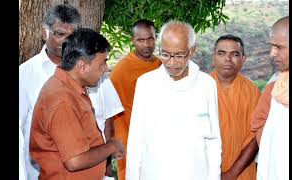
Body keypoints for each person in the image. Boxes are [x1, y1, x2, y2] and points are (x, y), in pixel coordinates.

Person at [19, 4, 123, 180]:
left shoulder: (74, 87)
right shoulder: (62, 98)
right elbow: (74, 161)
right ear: (82, 66)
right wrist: (111, 146)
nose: (106, 70)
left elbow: (104, 123)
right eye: (102, 63)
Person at [125, 20, 222, 180]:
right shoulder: (146, 84)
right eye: (165, 54)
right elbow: (135, 142)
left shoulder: (207, 85)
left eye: (179, 55)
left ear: (192, 51)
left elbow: (213, 141)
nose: (171, 62)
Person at [109, 19, 161, 180]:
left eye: (150, 39)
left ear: (155, 38)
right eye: (141, 40)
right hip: (130, 138)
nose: (146, 45)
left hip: (157, 137)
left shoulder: (161, 64)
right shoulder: (121, 70)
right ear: (133, 41)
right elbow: (110, 110)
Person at [210, 35, 260, 180]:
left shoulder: (253, 92)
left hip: (242, 172)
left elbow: (256, 137)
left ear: (243, 59)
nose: (227, 59)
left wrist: (232, 173)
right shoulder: (200, 89)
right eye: (221, 53)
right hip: (205, 171)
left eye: (235, 54)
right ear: (214, 57)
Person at [250, 16, 289, 180]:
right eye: (272, 46)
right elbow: (258, 123)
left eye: (279, 47)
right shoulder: (275, 87)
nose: (272, 53)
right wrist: (273, 148)